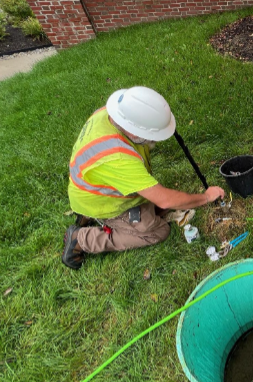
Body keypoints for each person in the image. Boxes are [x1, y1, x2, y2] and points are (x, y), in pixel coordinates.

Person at [62, 86, 225, 270]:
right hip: (105, 203)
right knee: (158, 231)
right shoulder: (118, 158)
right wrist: (206, 197)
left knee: (156, 210)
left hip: (94, 187)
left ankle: (87, 217)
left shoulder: (113, 113)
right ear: (133, 131)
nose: (153, 140)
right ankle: (81, 239)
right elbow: (164, 200)